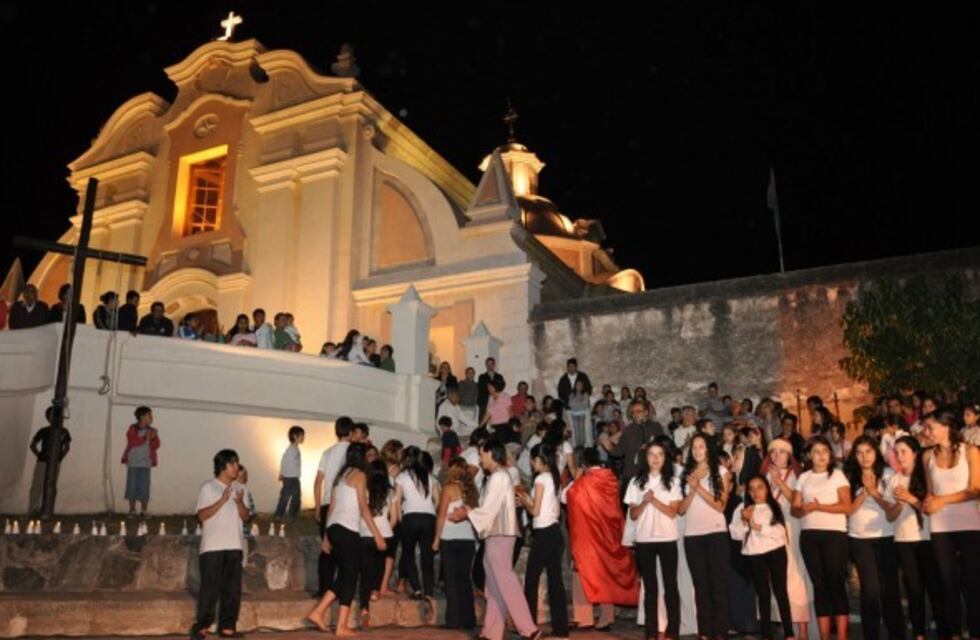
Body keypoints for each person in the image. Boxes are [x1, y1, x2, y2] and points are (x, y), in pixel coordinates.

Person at [448, 439, 540, 640]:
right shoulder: (497, 476)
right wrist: (469, 512)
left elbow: (488, 509)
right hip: (495, 533)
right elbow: (488, 508)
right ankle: (491, 632)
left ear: (491, 453)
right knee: (494, 586)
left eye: (482, 454)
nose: (480, 459)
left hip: (501, 533)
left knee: (505, 582)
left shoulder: (499, 476)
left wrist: (467, 513)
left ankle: (529, 629)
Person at [306, 443, 388, 635]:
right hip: (347, 529)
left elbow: (332, 506)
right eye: (367, 455)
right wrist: (377, 535)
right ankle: (341, 625)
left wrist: (327, 535)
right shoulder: (359, 475)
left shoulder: (341, 476)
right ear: (361, 457)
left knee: (346, 574)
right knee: (350, 575)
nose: (370, 459)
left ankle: (318, 612)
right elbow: (364, 508)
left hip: (335, 527)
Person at [922, 410, 980, 639]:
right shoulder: (927, 457)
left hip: (969, 522)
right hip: (940, 527)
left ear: (946, 426)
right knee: (948, 582)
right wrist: (927, 503)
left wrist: (941, 501)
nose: (926, 432)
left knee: (973, 581)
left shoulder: (971, 451)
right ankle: (954, 634)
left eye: (930, 427)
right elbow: (930, 494)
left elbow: (975, 490)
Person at [887, 435, 949, 640]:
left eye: (904, 451)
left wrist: (910, 498)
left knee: (935, 589)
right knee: (914, 591)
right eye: (897, 452)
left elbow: (929, 509)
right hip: (903, 541)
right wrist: (898, 504)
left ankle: (945, 633)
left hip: (926, 539)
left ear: (915, 453)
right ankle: (919, 634)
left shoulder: (926, 476)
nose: (900, 456)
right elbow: (890, 515)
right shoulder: (894, 479)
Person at [843, 435, 904, 640]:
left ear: (876, 452)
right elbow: (848, 510)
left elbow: (893, 508)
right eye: (859, 452)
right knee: (870, 590)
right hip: (859, 537)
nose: (864, 456)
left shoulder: (888, 474)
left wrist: (874, 492)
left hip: (886, 535)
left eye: (868, 451)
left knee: (890, 589)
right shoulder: (849, 476)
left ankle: (896, 633)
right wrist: (863, 492)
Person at [791, 436, 851, 640]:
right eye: (816, 452)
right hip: (809, 535)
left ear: (830, 454)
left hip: (834, 534)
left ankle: (842, 635)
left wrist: (819, 506)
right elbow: (794, 509)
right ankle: (825, 636)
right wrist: (803, 510)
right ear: (809, 455)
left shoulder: (838, 476)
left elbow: (847, 506)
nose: (821, 455)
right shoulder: (804, 477)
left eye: (825, 451)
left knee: (836, 583)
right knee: (820, 585)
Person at [190, 449, 250, 640]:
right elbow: (201, 516)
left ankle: (227, 627)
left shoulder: (241, 489)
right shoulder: (208, 487)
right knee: (210, 589)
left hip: (234, 545)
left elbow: (246, 517)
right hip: (212, 547)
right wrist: (222, 500)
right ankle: (202, 626)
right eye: (232, 464)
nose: (236, 467)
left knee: (232, 591)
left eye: (237, 463)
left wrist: (239, 503)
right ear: (222, 466)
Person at [625, 440, 682, 640]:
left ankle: (673, 630)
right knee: (650, 587)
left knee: (670, 585)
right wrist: (644, 501)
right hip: (644, 539)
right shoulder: (636, 482)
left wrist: (655, 501)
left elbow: (673, 511)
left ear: (665, 458)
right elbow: (633, 515)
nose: (656, 458)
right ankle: (651, 631)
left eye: (660, 454)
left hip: (667, 538)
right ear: (646, 458)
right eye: (651, 454)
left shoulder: (673, 482)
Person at [678, 433, 731, 640]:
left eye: (701, 446)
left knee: (718, 586)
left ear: (708, 449)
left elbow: (721, 505)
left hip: (716, 533)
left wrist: (699, 487)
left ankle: (721, 634)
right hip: (693, 535)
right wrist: (692, 490)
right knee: (700, 587)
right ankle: (705, 633)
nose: (698, 451)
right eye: (694, 448)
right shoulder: (686, 474)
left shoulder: (721, 471)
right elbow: (681, 510)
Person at [729, 476, 796, 640]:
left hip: (776, 552)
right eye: (751, 488)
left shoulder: (775, 506)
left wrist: (757, 527)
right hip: (755, 554)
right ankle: (766, 634)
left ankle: (789, 633)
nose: (755, 492)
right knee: (763, 594)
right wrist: (745, 520)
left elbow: (780, 531)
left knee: (780, 592)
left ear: (767, 488)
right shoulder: (742, 507)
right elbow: (735, 534)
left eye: (760, 487)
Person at [517, 444, 569, 640]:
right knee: (556, 582)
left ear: (540, 460)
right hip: (555, 533)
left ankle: (529, 627)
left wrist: (524, 503)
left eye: (533, 459)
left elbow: (536, 511)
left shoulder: (540, 478)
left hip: (544, 534)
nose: (531, 463)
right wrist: (526, 499)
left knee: (531, 580)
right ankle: (561, 628)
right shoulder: (554, 479)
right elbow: (553, 510)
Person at [761, 439, 811, 639]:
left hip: (792, 529)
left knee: (797, 577)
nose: (777, 455)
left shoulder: (797, 475)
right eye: (773, 452)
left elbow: (797, 502)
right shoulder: (765, 475)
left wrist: (779, 481)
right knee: (778, 580)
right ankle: (786, 625)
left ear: (789, 455)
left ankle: (803, 630)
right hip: (772, 533)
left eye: (782, 452)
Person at [433, 456, 478, 630]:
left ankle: (453, 620)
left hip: (450, 539)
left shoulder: (449, 488)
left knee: (451, 580)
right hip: (467, 540)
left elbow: (442, 515)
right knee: (465, 580)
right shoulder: (472, 491)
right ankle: (469, 619)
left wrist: (436, 538)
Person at [313, 417, 355, 597]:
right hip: (345, 505)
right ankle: (339, 590)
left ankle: (324, 588)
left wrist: (317, 507)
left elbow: (318, 482)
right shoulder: (353, 453)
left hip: (327, 503)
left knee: (326, 548)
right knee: (345, 551)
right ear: (351, 432)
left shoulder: (327, 452)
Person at [395, 445, 439, 608]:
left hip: (410, 518)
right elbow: (437, 501)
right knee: (427, 556)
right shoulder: (430, 476)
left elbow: (398, 500)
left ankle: (417, 589)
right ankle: (428, 592)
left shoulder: (402, 476)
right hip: (429, 518)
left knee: (408, 554)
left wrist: (400, 520)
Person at [358, 460, 398, 628]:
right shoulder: (390, 491)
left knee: (365, 573)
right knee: (378, 568)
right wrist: (387, 530)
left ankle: (364, 609)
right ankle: (375, 592)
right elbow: (395, 518)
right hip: (386, 534)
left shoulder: (364, 489)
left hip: (366, 534)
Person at [609, 400, 665, 488]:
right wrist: (609, 447)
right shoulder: (628, 430)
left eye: (638, 411)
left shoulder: (655, 427)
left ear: (646, 412)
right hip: (632, 473)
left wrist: (649, 447)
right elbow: (619, 452)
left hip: (651, 472)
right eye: (633, 412)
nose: (635, 415)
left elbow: (663, 446)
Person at [27, 407, 71, 515]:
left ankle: (48, 509)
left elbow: (67, 446)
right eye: (52, 415)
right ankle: (33, 509)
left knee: (51, 485)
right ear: (48, 418)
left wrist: (60, 458)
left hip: (55, 463)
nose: (55, 418)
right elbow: (32, 445)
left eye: (57, 415)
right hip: (42, 462)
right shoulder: (43, 431)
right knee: (37, 484)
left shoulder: (64, 431)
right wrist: (40, 456)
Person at [120, 406, 160, 516]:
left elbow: (156, 445)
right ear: (142, 416)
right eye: (149, 415)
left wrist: (153, 438)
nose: (151, 417)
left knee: (144, 487)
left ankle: (144, 510)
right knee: (131, 486)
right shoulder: (132, 429)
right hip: (133, 463)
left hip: (145, 464)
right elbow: (132, 441)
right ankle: (132, 509)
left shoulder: (152, 431)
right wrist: (144, 438)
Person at [275, 426, 304, 520]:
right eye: (301, 435)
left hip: (295, 477)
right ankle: (279, 515)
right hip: (289, 478)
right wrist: (282, 473)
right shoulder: (290, 449)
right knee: (285, 497)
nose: (303, 438)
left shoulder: (295, 448)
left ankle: (292, 515)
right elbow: (283, 461)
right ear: (295, 436)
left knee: (296, 498)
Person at [481, 378, 514, 443]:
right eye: (488, 387)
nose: (488, 389)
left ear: (495, 387)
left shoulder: (505, 396)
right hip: (493, 426)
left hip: (504, 425)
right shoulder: (490, 397)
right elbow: (487, 413)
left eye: (489, 387)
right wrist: (480, 426)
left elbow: (510, 412)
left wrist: (512, 426)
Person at [477, 358, 505, 422]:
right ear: (486, 365)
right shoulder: (482, 377)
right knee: (483, 421)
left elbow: (501, 387)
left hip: (497, 401)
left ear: (494, 365)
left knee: (496, 420)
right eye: (488, 364)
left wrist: (494, 393)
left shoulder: (499, 376)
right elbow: (481, 388)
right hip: (485, 401)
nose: (490, 366)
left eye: (491, 364)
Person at [567, 378, 592, 447]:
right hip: (574, 414)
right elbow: (570, 404)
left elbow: (585, 404)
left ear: (582, 386)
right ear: (575, 386)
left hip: (582, 414)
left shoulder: (585, 394)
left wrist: (576, 403)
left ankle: (582, 444)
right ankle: (578, 444)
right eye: (577, 385)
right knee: (576, 430)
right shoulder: (572, 394)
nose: (579, 386)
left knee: (582, 429)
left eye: (580, 385)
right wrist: (579, 403)